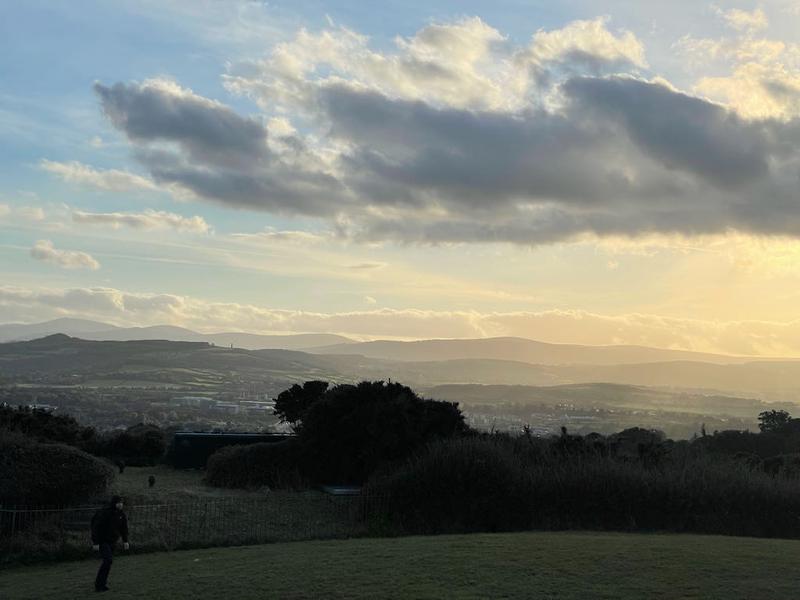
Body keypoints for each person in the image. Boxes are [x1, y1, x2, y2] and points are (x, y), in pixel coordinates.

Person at [91, 495, 130, 593]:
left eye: (122, 502)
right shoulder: (105, 513)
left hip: (112, 541)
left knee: (108, 563)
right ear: (114, 503)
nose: (121, 504)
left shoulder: (121, 515)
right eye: (119, 502)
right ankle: (98, 585)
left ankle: (102, 584)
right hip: (103, 541)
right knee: (108, 561)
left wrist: (125, 541)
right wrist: (95, 542)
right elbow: (96, 527)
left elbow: (124, 529)